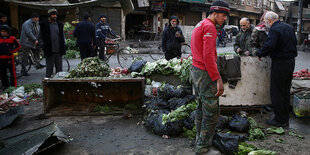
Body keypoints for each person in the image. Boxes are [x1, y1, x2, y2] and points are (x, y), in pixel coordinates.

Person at [190, 0, 229, 154]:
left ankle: (199, 140)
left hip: (196, 71)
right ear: (215, 13)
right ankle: (203, 147)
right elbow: (208, 56)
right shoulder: (210, 27)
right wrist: (218, 79)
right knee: (211, 112)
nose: (224, 18)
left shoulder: (200, 24)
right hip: (205, 73)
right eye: (223, 15)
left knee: (201, 108)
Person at [256, 11, 297, 127]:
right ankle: (285, 118)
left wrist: (260, 53)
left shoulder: (274, 29)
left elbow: (269, 45)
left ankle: (279, 120)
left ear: (269, 20)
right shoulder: (289, 27)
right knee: (285, 91)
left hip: (280, 63)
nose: (265, 24)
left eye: (265, 21)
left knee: (277, 92)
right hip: (290, 62)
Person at [40, 8, 66, 78]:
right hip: (49, 50)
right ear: (49, 16)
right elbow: (40, 36)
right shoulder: (43, 24)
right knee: (49, 70)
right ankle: (48, 84)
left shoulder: (59, 24)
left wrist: (64, 45)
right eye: (53, 15)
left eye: (56, 15)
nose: (55, 16)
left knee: (59, 70)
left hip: (58, 50)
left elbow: (62, 36)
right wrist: (42, 45)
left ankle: (59, 84)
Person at [0, 25, 20, 89]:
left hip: (9, 58)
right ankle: (5, 86)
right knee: (3, 73)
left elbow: (18, 46)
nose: (2, 33)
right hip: (1, 58)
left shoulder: (12, 38)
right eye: (1, 31)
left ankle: (13, 86)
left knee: (12, 73)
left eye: (4, 31)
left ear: (7, 32)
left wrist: (12, 51)